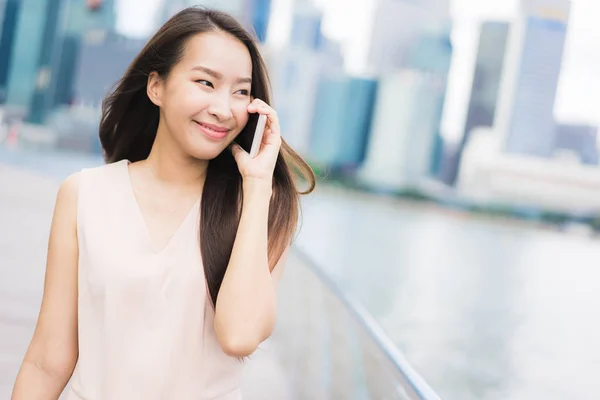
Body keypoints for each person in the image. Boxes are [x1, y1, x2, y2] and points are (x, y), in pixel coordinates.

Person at [11, 6, 315, 400]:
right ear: (157, 87)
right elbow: (46, 361)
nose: (224, 109)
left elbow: (239, 335)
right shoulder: (85, 194)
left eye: (241, 91)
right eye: (206, 82)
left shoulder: (261, 210)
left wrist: (257, 187)